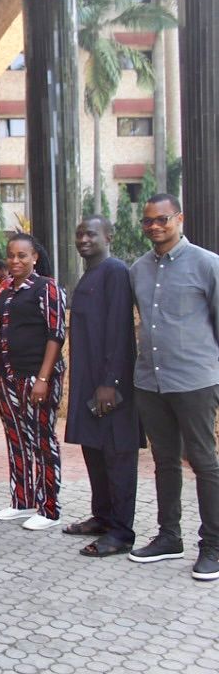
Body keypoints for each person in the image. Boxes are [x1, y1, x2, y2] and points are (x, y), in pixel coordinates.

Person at [128, 194, 219, 581]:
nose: (154, 226)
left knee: (203, 461)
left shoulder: (207, 264)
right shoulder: (138, 269)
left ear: (179, 219)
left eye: (162, 219)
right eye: (148, 221)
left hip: (194, 380)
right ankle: (169, 537)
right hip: (151, 381)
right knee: (164, 461)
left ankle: (213, 545)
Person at [63, 216, 141, 557]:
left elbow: (121, 329)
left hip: (111, 387)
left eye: (91, 234)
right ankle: (103, 517)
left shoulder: (115, 272)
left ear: (108, 237)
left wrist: (111, 383)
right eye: (80, 234)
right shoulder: (90, 274)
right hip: (88, 382)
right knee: (94, 451)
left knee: (117, 457)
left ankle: (121, 532)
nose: (83, 239)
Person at [0, 234, 67, 531]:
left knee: (42, 440)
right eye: (11, 255)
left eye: (22, 256)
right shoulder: (5, 291)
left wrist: (43, 378)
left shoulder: (47, 288)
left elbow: (56, 334)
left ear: (34, 257)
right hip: (9, 377)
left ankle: (49, 508)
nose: (15, 261)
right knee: (16, 440)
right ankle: (22, 501)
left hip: (38, 376)